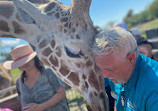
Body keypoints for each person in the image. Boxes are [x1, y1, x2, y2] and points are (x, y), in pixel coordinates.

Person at [93, 27, 158, 111]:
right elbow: (118, 102)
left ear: (131, 58)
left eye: (110, 69)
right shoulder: (116, 76)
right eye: (100, 69)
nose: (104, 76)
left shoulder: (154, 89)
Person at [3, 45, 69, 111]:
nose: (24, 64)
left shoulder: (48, 72)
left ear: (34, 58)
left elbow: (61, 93)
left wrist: (39, 107)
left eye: (26, 60)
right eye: (20, 63)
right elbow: (23, 104)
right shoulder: (19, 82)